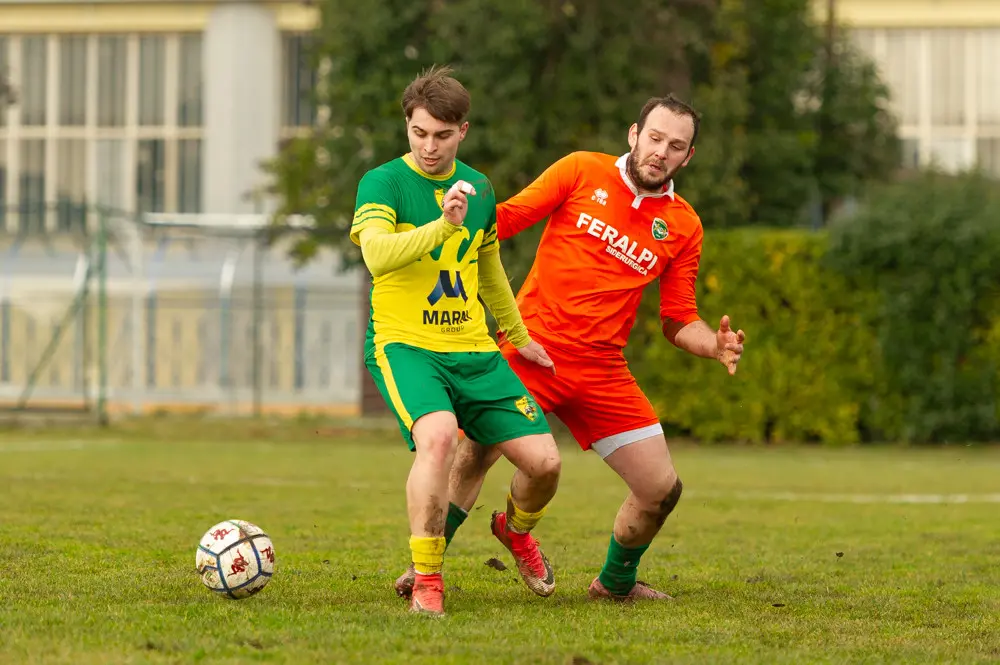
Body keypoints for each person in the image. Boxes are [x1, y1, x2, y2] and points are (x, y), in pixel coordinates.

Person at [395, 93, 746, 602]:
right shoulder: (581, 169)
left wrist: (713, 345)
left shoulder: (684, 224)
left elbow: (678, 319)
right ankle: (423, 567)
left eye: (675, 146)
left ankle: (612, 583)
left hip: (603, 369)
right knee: (475, 451)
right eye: (654, 138)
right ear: (634, 134)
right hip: (532, 350)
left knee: (660, 490)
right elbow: (503, 220)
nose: (660, 152)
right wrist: (439, 226)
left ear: (687, 157)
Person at [350, 65, 564, 616]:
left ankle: (515, 531)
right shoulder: (383, 183)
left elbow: (488, 269)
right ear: (407, 125)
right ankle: (427, 580)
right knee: (440, 437)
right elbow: (376, 255)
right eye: (418, 132)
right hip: (405, 345)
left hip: (474, 349)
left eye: (442, 135)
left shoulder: (480, 187)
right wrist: (442, 226)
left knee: (545, 464)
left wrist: (518, 335)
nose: (429, 146)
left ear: (462, 131)